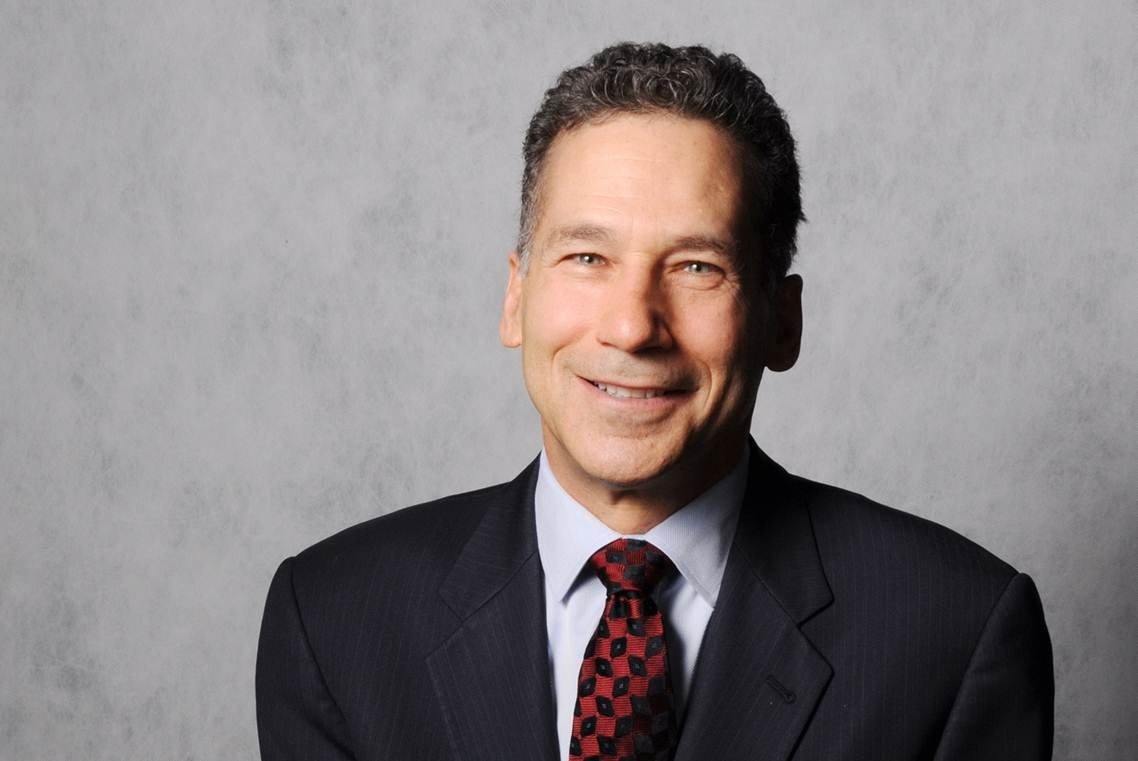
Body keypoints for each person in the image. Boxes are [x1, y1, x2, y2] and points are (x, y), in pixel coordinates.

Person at [255, 43, 1054, 761]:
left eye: (697, 267)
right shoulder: (332, 622)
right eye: (586, 256)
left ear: (781, 321)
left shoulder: (956, 633)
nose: (634, 325)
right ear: (515, 298)